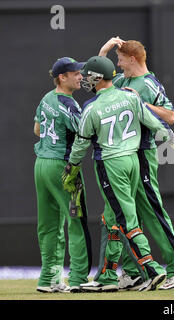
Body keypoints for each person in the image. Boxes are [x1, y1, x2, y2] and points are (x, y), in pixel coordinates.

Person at [62, 55, 174, 292]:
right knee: (113, 218)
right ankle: (108, 276)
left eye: (89, 76)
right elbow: (152, 121)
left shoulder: (91, 107)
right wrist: (172, 140)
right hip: (133, 160)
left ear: (98, 78)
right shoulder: (130, 96)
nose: (86, 80)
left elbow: (81, 143)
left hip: (111, 164)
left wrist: (71, 167)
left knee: (125, 218)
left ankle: (152, 269)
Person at [97, 37, 174, 290]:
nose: (117, 63)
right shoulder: (122, 80)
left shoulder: (148, 83)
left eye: (119, 59)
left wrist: (141, 103)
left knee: (152, 211)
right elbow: (99, 79)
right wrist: (104, 51)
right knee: (126, 216)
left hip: (142, 153)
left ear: (132, 59)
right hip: (124, 155)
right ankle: (134, 272)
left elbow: (170, 116)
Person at [33, 57, 92, 293]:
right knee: (76, 222)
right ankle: (78, 279)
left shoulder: (46, 98)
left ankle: (48, 279)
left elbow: (37, 130)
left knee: (48, 225)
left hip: (41, 165)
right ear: (62, 77)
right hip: (62, 167)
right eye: (76, 73)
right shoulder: (68, 104)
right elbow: (84, 133)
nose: (81, 76)